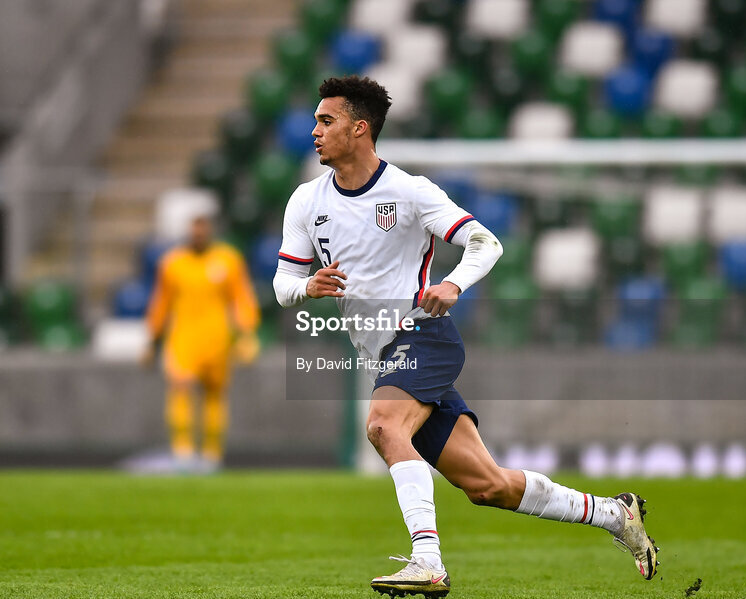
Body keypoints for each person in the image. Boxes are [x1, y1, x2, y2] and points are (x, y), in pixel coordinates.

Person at [273, 76, 659, 597]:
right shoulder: (305, 201)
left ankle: (427, 561)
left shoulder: (409, 191)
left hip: (423, 335)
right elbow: (281, 286)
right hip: (382, 351)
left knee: (385, 427)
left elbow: (486, 242)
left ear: (359, 128)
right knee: (488, 485)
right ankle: (615, 514)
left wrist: (454, 282)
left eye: (326, 120)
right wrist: (306, 287)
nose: (314, 131)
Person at [145, 204, 260, 472]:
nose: (198, 232)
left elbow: (241, 299)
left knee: (215, 394)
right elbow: (160, 304)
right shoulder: (172, 263)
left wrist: (246, 333)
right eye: (193, 226)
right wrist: (152, 339)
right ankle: (182, 452)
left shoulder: (228, 260)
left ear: (210, 229)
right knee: (180, 388)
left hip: (217, 338)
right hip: (183, 337)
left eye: (202, 226)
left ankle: (211, 455)